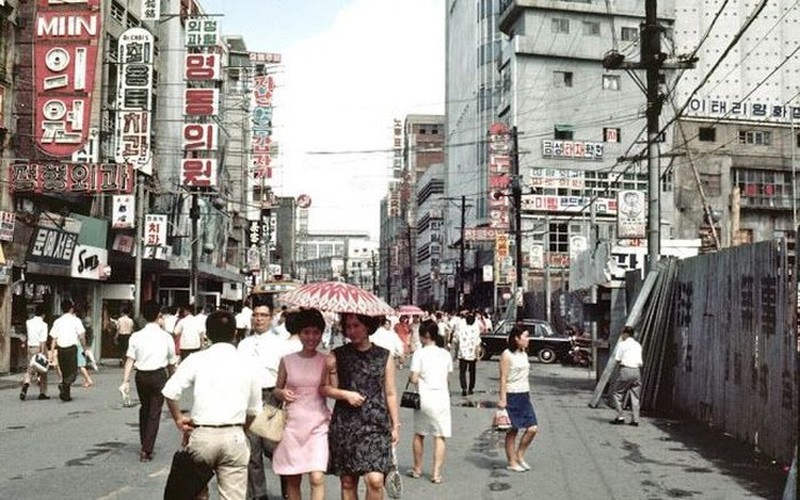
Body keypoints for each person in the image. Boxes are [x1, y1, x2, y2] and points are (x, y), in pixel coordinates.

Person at [162, 310, 262, 500]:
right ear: (234, 333)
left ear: (207, 334)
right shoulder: (249, 363)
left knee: (195, 493)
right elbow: (254, 410)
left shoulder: (196, 359)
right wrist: (241, 428)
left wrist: (178, 419)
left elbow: (170, 391)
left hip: (202, 435)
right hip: (234, 436)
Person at [323, 313, 400, 500]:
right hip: (346, 424)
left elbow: (390, 393)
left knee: (375, 480)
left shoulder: (384, 356)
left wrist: (395, 424)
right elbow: (326, 388)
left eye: (356, 325)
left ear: (368, 326)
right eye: (348, 326)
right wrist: (345, 393)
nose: (351, 331)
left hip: (376, 424)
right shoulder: (338, 355)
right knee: (348, 482)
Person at [272, 308, 330, 500]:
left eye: (316, 332)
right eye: (306, 332)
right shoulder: (287, 360)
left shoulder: (327, 361)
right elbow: (276, 389)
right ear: (299, 333)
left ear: (321, 334)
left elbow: (333, 389)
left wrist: (334, 371)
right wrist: (282, 393)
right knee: (293, 478)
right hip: (292, 426)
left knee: (317, 477)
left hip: (318, 425)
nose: (311, 337)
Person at [237, 301, 292, 500]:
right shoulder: (244, 344)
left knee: (274, 448)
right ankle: (258, 495)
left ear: (271, 318)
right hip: (249, 398)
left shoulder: (281, 344)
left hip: (271, 398)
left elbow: (287, 375)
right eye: (256, 315)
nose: (258, 319)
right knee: (252, 452)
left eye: (263, 315)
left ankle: (289, 491)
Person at [121, 300, 178, 462]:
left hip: (141, 376)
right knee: (155, 412)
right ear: (159, 315)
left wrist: (125, 380)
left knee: (144, 408)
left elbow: (130, 360)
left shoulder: (136, 336)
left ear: (143, 316)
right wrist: (173, 378)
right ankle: (147, 449)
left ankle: (144, 442)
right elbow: (171, 362)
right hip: (159, 375)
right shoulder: (166, 337)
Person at [405, 319, 452, 484]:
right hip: (441, 398)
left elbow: (414, 378)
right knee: (439, 436)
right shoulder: (445, 354)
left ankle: (417, 469)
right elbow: (447, 378)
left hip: (424, 399)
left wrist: (412, 377)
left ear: (424, 336)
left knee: (419, 434)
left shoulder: (419, 353)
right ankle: (436, 473)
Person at [497, 325, 538, 472]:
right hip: (512, 394)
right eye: (525, 337)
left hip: (524, 394)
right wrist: (502, 399)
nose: (528, 340)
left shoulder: (524, 353)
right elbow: (503, 378)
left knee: (532, 428)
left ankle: (520, 454)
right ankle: (511, 462)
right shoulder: (507, 355)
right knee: (512, 431)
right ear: (516, 338)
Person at [49, 300, 90, 402]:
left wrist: (52, 351)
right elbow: (82, 336)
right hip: (71, 348)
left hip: (61, 349)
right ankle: (65, 385)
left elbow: (53, 338)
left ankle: (66, 393)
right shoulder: (76, 321)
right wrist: (85, 348)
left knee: (64, 371)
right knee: (72, 372)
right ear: (71, 308)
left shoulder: (57, 321)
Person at [609, 326, 644, 426]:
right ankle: (635, 420)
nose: (621, 336)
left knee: (617, 393)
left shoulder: (622, 345)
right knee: (635, 396)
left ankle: (620, 416)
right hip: (637, 371)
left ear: (625, 334)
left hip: (625, 370)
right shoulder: (638, 345)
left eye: (622, 334)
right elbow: (640, 361)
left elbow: (618, 359)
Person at [20, 304, 50, 401]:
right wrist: (43, 352)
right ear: (43, 315)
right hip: (39, 348)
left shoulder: (28, 322)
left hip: (30, 348)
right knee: (43, 371)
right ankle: (42, 392)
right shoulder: (44, 325)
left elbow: (27, 335)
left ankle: (26, 382)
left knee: (30, 369)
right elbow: (43, 341)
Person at [453, 311, 481, 396]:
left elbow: (456, 342)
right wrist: (477, 356)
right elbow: (477, 344)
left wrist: (455, 353)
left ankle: (464, 388)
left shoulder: (461, 329)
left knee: (462, 372)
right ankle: (471, 388)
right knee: (472, 372)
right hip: (472, 354)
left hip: (463, 353)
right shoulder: (476, 330)